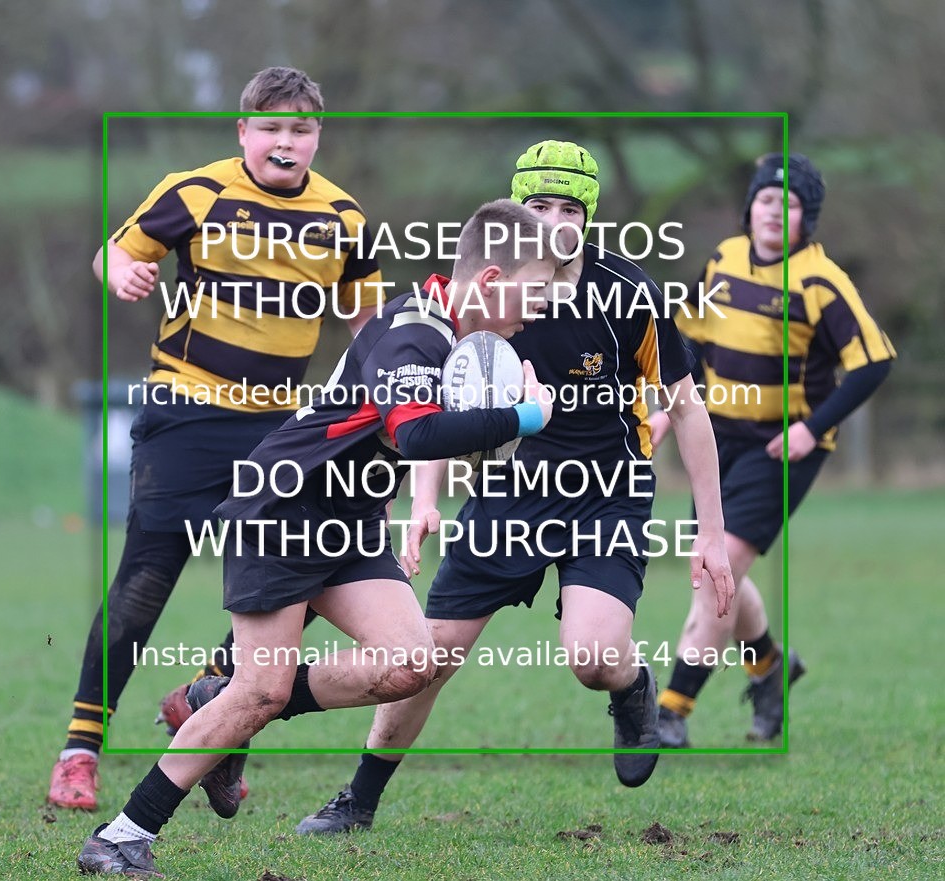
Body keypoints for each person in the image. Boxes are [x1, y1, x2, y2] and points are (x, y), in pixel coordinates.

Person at [75, 198, 561, 876]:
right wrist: (524, 416)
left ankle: (221, 699)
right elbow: (418, 432)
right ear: (489, 281)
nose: (539, 307)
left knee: (412, 662)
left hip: (345, 520)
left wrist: (401, 501)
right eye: (535, 291)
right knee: (262, 692)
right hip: (281, 510)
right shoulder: (416, 332)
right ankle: (122, 835)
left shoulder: (449, 334)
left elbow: (390, 435)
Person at [294, 140, 735, 836]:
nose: (557, 221)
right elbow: (440, 406)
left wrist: (710, 530)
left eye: (570, 207)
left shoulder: (630, 293)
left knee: (592, 656)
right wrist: (425, 502)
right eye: (540, 206)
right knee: (430, 653)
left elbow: (685, 409)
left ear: (589, 215)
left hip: (606, 492)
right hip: (508, 495)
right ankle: (359, 798)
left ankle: (633, 685)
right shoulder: (488, 293)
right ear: (515, 213)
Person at [48, 66, 385, 811]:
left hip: (281, 428)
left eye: (299, 128)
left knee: (287, 585)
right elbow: (114, 253)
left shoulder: (346, 217)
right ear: (244, 133)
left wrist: (386, 393)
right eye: (270, 127)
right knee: (145, 579)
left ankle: (210, 707)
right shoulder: (195, 190)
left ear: (316, 136)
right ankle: (80, 747)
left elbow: (368, 329)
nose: (285, 141)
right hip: (187, 414)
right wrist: (126, 276)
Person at [651, 152, 895, 747]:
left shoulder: (822, 283)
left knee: (717, 571)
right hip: (718, 438)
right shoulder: (724, 260)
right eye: (765, 199)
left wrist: (815, 427)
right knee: (723, 569)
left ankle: (671, 711)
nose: (773, 212)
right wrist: (666, 408)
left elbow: (874, 361)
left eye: (788, 205)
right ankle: (769, 668)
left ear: (805, 218)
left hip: (783, 449)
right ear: (750, 207)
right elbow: (689, 344)